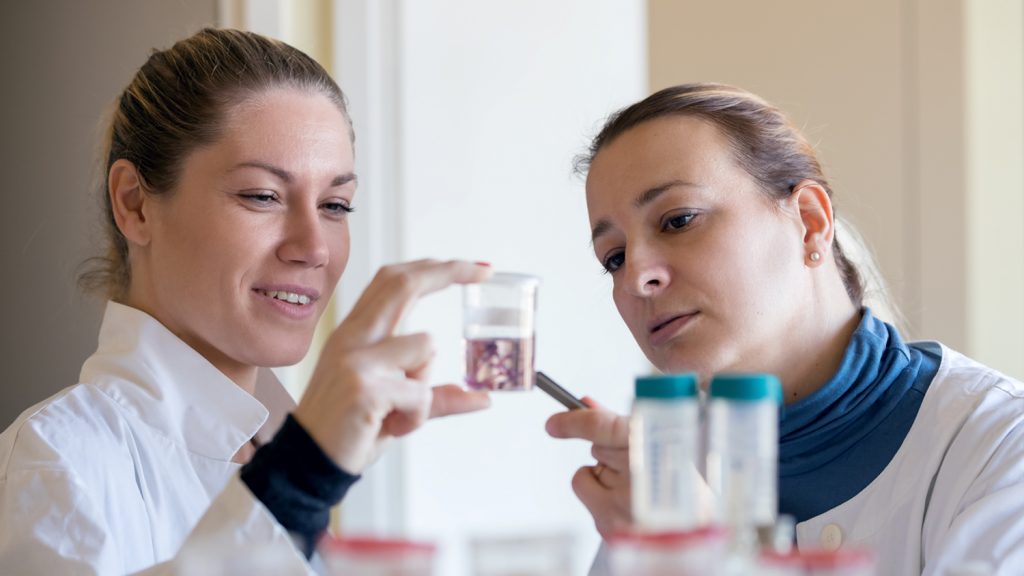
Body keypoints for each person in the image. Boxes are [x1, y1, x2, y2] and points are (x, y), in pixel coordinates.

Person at [0, 28, 492, 575]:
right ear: (135, 204)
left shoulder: (296, 452)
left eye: (335, 205)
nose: (312, 248)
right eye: (263, 196)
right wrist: (299, 483)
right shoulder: (55, 461)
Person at [545, 83, 1024, 574]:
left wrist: (708, 558)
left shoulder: (1001, 447)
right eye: (615, 258)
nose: (638, 277)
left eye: (678, 220)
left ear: (812, 222)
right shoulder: (667, 478)